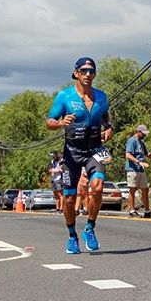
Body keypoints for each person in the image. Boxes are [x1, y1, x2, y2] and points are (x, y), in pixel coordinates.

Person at [46, 57, 113, 254]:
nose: (87, 74)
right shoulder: (65, 97)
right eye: (83, 71)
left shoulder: (101, 97)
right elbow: (49, 121)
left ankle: (90, 228)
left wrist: (108, 127)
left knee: (98, 187)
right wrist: (60, 123)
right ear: (76, 73)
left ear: (95, 74)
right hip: (72, 153)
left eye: (91, 71)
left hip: (96, 150)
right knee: (68, 198)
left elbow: (105, 115)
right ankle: (72, 236)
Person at [125, 125, 151, 218]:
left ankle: (147, 211)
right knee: (132, 189)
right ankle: (132, 210)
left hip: (141, 169)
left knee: (145, 189)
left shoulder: (141, 142)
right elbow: (128, 155)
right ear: (138, 131)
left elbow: (147, 154)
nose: (144, 135)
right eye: (143, 133)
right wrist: (139, 162)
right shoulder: (132, 141)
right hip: (132, 169)